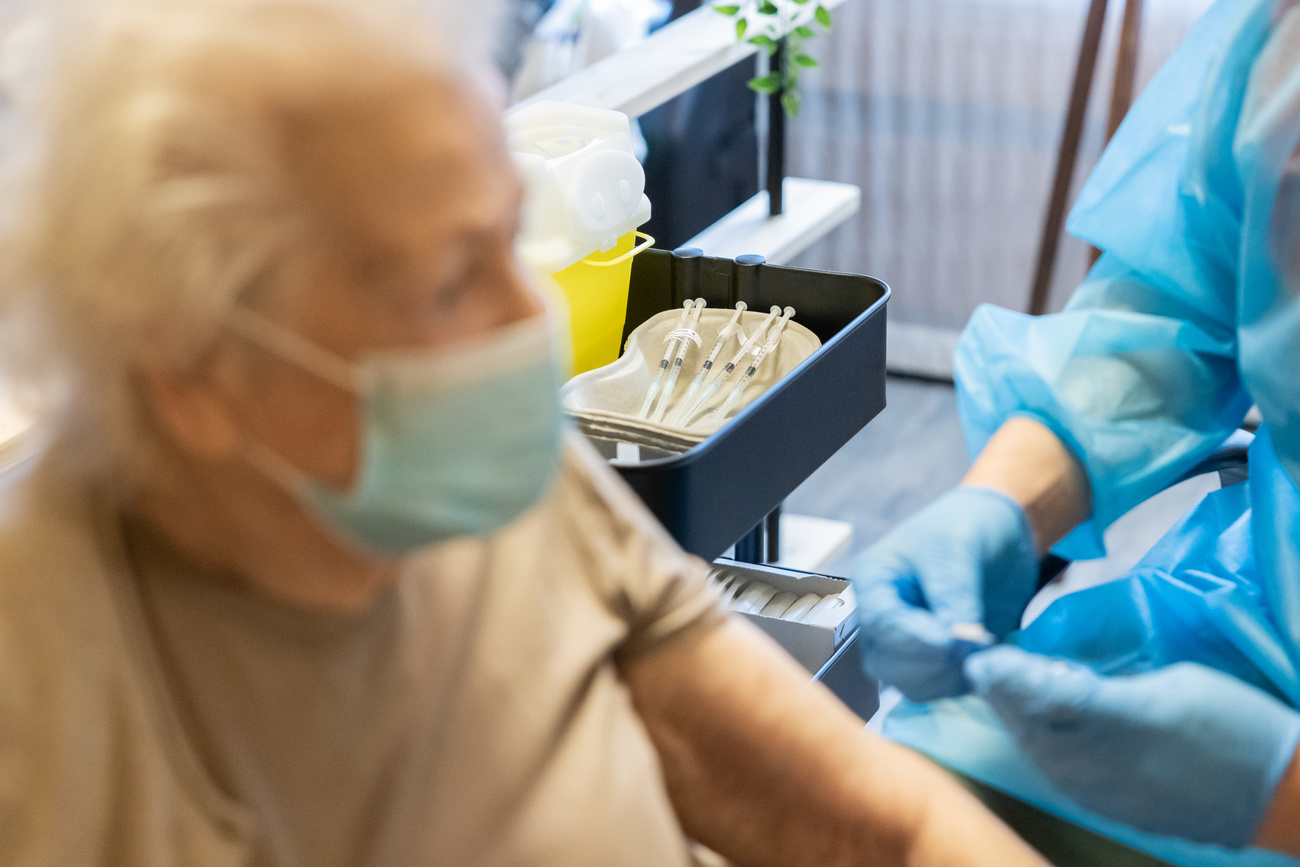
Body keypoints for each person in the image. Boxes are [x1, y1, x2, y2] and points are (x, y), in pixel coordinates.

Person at [0, 0, 1049, 864]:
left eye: (511, 234)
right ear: (190, 367)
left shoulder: (498, 481)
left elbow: (888, 830)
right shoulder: (45, 701)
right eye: (452, 278)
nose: (533, 327)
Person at [852, 0, 1300, 863]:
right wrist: (1001, 505)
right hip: (1260, 631)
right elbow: (1186, 298)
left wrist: (1274, 789)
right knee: (901, 788)